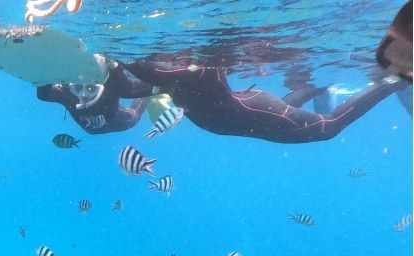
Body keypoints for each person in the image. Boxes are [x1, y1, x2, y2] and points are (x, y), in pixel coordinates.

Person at [124, 56, 408, 143]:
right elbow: (136, 83)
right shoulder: (175, 78)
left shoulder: (196, 72)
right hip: (253, 111)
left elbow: (145, 72)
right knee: (287, 111)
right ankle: (322, 87)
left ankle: (393, 79)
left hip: (252, 111)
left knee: (328, 126)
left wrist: (117, 56)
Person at [36, 55, 155, 134]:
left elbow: (43, 94)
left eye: (90, 88)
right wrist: (43, 75)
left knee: (133, 117)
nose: (84, 95)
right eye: (77, 87)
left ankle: (151, 96)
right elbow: (43, 94)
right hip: (98, 126)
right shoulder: (67, 91)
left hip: (110, 121)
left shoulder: (111, 84)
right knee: (133, 117)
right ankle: (152, 94)